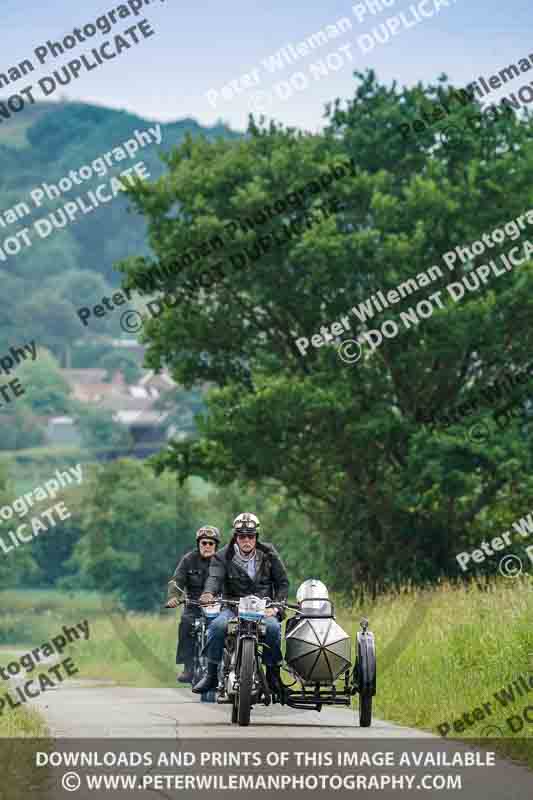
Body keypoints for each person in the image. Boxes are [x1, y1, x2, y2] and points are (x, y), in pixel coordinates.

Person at [191, 512, 289, 694]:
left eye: (250, 536)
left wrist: (275, 607)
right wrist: (208, 593)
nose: (246, 540)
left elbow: (282, 583)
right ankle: (211, 675)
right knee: (217, 627)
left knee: (274, 629)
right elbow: (214, 577)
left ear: (256, 537)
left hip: (263, 609)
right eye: (242, 536)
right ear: (235, 537)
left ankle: (273, 675)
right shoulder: (222, 556)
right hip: (233, 607)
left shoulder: (269, 553)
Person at [166, 525, 221, 683]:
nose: (207, 546)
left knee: (229, 629)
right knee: (186, 623)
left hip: (218, 606)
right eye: (204, 543)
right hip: (193, 605)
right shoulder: (188, 559)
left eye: (211, 543)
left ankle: (230, 665)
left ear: (216, 545)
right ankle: (188, 668)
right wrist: (173, 597)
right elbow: (177, 581)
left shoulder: (223, 561)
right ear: (199, 544)